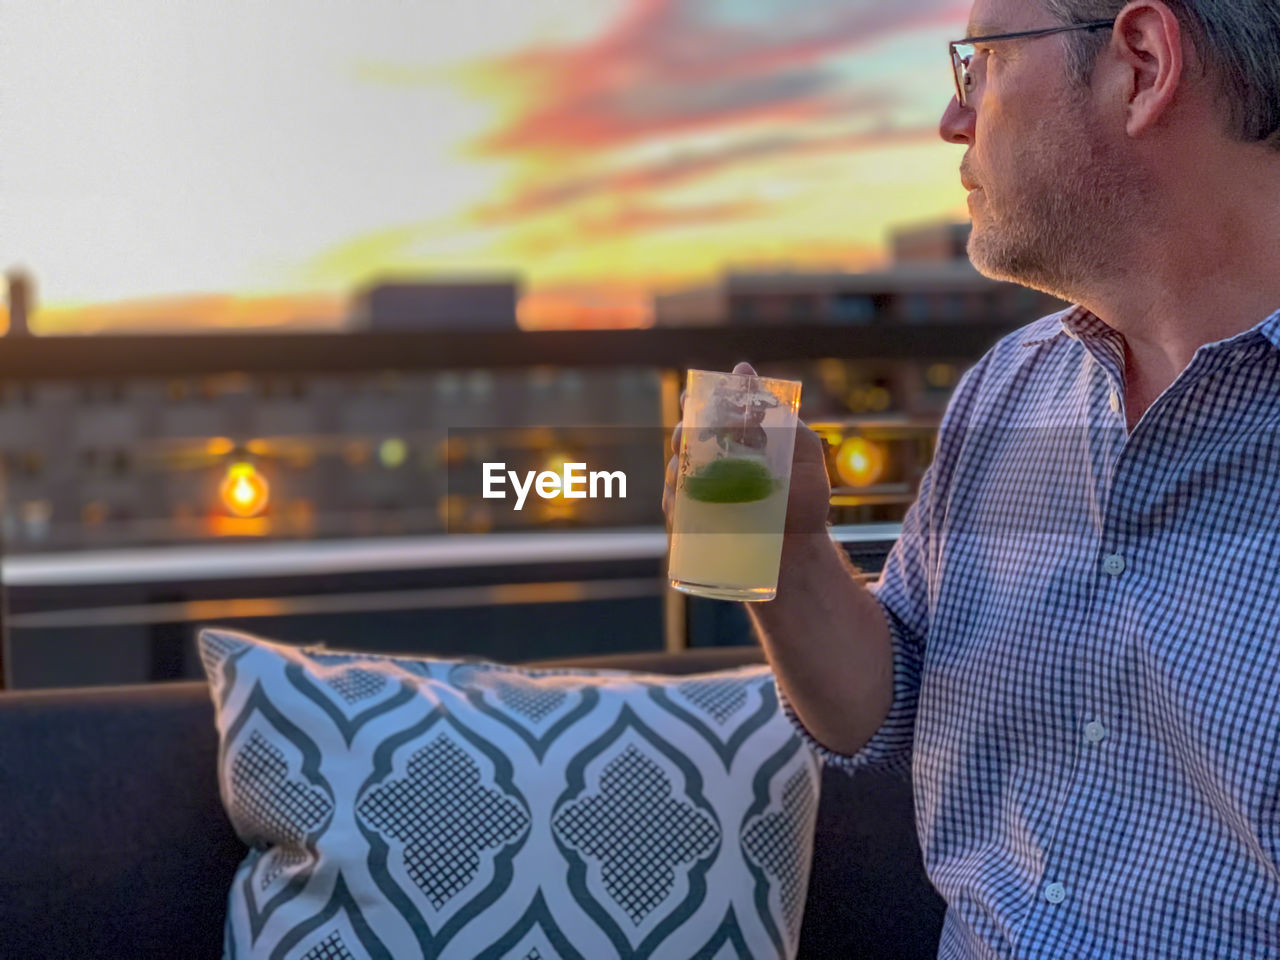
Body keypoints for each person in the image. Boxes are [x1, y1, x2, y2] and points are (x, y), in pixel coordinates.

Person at [664, 0, 1280, 955]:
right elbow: (886, 699)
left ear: (1142, 64)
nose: (952, 120)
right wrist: (784, 551)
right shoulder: (1009, 388)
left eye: (979, 67)